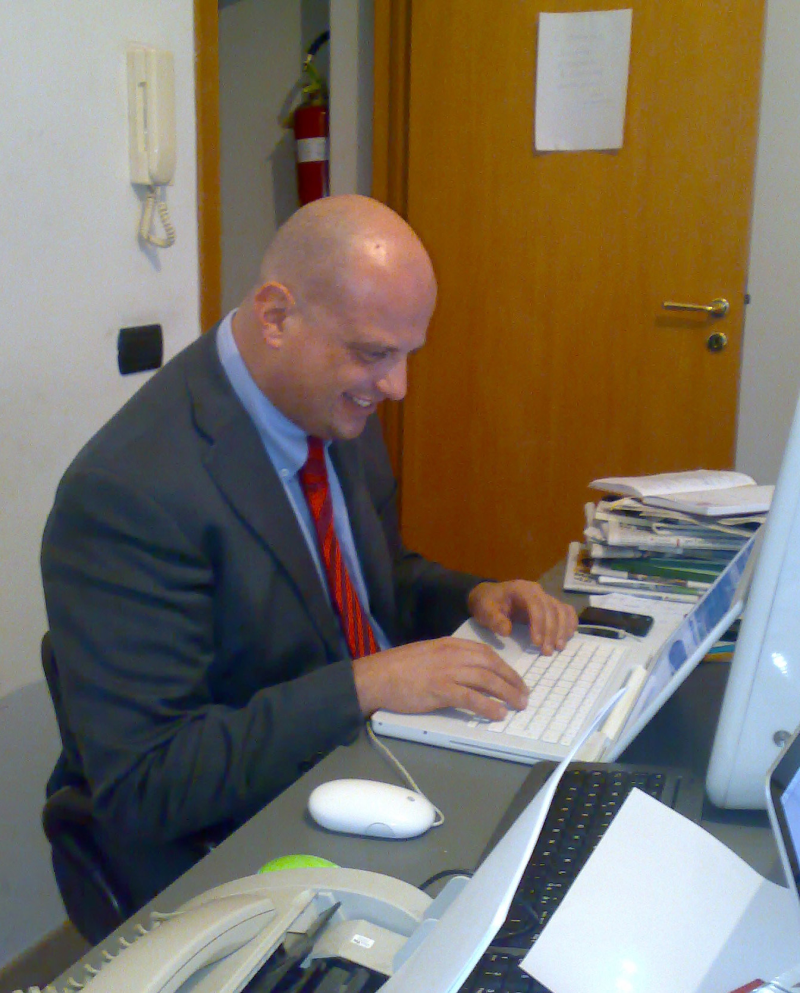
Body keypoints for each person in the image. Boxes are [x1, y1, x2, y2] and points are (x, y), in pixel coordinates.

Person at [41, 194, 577, 910]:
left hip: (377, 760)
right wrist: (366, 685)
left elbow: (373, 581)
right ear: (275, 316)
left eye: (407, 355)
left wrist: (474, 596)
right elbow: (148, 781)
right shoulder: (128, 491)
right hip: (252, 826)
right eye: (375, 353)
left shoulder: (331, 400)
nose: (396, 386)